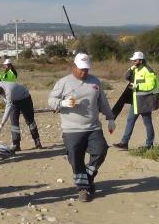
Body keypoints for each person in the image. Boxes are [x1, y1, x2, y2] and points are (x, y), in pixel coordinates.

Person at [48, 53, 115, 202]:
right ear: (74, 67)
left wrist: (110, 118)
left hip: (93, 127)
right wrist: (62, 103)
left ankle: (87, 178)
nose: (84, 72)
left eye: (86, 69)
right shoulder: (63, 82)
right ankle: (83, 189)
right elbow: (51, 100)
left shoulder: (95, 82)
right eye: (81, 69)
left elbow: (102, 102)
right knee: (76, 160)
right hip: (72, 129)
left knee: (101, 150)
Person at [114, 51, 159, 150]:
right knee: (130, 120)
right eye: (133, 60)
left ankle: (149, 144)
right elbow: (126, 77)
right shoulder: (136, 69)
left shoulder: (148, 71)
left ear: (141, 60)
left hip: (145, 100)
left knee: (147, 122)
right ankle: (124, 142)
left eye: (135, 60)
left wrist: (137, 86)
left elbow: (151, 85)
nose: (133, 62)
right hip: (136, 100)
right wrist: (130, 69)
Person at [0, 80, 43, 151]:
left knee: (30, 120)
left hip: (25, 98)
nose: (0, 95)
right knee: (14, 122)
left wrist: (1, 124)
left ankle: (37, 140)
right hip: (14, 101)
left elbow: (8, 108)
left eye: (0, 94)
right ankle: (16, 144)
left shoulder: (9, 91)